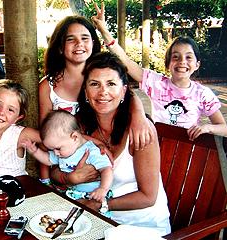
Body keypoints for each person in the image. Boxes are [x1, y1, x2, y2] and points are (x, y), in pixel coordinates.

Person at [52, 51, 171, 236]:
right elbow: (54, 169)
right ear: (85, 91)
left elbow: (148, 197)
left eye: (111, 84)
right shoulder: (79, 126)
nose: (103, 92)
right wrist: (70, 178)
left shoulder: (140, 130)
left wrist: (98, 204)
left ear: (124, 90)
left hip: (142, 227)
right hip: (98, 222)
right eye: (94, 84)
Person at [38, 14, 155, 183]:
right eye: (71, 39)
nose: (79, 44)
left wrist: (139, 116)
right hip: (63, 163)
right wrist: (48, 180)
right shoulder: (48, 85)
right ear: (60, 47)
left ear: (94, 43)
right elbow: (44, 135)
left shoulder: (99, 76)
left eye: (85, 38)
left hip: (99, 161)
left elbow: (126, 93)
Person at [91, 2, 227, 140]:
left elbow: (224, 128)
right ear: (168, 64)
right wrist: (104, 31)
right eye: (175, 57)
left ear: (197, 64)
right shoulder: (156, 83)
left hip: (185, 153)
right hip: (156, 147)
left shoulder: (203, 94)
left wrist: (207, 128)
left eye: (188, 57)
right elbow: (125, 62)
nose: (182, 62)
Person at [24, 110, 113, 203]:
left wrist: (103, 189)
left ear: (75, 137)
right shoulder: (64, 151)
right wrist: (34, 151)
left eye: (58, 148)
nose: (56, 153)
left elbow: (107, 170)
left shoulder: (91, 151)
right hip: (74, 194)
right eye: (52, 149)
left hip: (94, 195)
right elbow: (47, 160)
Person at [0, 79, 40, 177]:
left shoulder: (20, 135)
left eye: (10, 110)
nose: (1, 112)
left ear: (18, 118)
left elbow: (50, 139)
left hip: (14, 187)